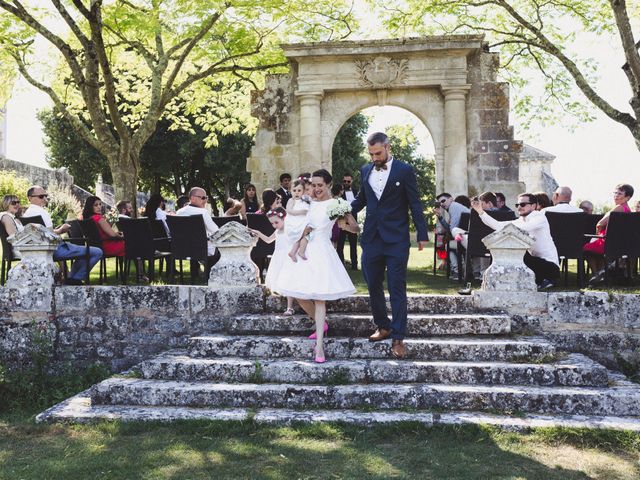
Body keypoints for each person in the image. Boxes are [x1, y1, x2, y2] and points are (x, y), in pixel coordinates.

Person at [351, 132, 428, 359]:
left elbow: (415, 202)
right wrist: (340, 209)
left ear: (388, 147)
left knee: (396, 287)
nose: (374, 157)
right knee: (373, 284)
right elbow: (360, 199)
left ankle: (398, 337)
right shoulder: (365, 171)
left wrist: (422, 233)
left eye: (378, 153)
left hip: (397, 239)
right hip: (371, 238)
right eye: (371, 154)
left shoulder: (404, 170)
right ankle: (382, 326)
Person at [275, 169, 358, 363]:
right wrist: (297, 243)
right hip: (307, 248)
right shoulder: (309, 203)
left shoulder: (336, 204)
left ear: (329, 185)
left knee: (320, 298)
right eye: (313, 184)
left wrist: (345, 224)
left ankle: (319, 347)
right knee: (298, 295)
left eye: (320, 185)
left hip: (322, 250)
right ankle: (323, 324)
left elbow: (354, 227)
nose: (316, 188)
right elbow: (308, 225)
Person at [471, 193, 559, 290]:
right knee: (501, 248)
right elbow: (498, 226)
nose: (519, 207)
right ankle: (495, 280)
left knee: (516, 250)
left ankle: (547, 280)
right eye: (518, 205)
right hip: (534, 264)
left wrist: (507, 229)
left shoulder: (539, 217)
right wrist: (480, 212)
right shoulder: (521, 220)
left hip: (550, 268)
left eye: (523, 204)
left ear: (533, 206)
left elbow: (521, 228)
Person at [24, 185, 102, 285]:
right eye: (41, 196)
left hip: (45, 249)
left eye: (45, 196)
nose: (44, 199)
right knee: (97, 252)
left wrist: (57, 230)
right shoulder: (41, 212)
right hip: (56, 249)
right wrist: (61, 230)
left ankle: (71, 278)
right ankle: (75, 279)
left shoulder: (27, 213)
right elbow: (49, 233)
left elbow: (44, 232)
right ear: (30, 198)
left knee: (83, 253)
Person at [583, 184, 634, 285]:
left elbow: (600, 224)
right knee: (595, 248)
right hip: (618, 243)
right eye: (615, 193)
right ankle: (601, 274)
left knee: (585, 248)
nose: (616, 195)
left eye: (619, 193)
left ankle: (596, 274)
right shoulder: (627, 209)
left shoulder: (618, 208)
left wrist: (597, 236)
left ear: (627, 197)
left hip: (608, 243)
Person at [249, 207, 296, 317]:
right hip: (278, 256)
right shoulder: (278, 230)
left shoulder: (290, 229)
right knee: (282, 278)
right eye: (272, 223)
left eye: (276, 222)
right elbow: (269, 240)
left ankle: (290, 307)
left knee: (289, 280)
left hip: (287, 256)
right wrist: (258, 233)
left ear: (284, 218)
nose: (274, 225)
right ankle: (286, 303)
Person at [451, 191, 497, 279]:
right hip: (490, 243)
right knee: (482, 240)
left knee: (455, 230)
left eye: (481, 204)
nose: (479, 206)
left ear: (490, 203)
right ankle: (481, 272)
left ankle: (459, 235)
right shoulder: (504, 214)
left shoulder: (480, 215)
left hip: (475, 244)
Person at [176, 187, 220, 278]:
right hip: (201, 249)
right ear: (192, 198)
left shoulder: (179, 212)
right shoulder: (202, 212)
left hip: (183, 249)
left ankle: (197, 274)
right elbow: (216, 231)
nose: (205, 200)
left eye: (206, 198)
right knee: (219, 247)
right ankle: (212, 275)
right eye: (203, 198)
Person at [434, 192, 470, 279]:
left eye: (443, 201)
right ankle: (459, 269)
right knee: (448, 242)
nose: (442, 204)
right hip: (468, 236)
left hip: (467, 238)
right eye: (440, 203)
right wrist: (440, 216)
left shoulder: (453, 207)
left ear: (451, 199)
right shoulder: (454, 207)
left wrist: (440, 217)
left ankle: (457, 271)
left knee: (447, 245)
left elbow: (451, 229)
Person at [286, 179, 311, 262]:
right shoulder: (291, 200)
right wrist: (301, 212)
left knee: (306, 236)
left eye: (299, 190)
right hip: (294, 223)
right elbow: (289, 211)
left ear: (303, 191)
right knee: (300, 236)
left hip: (302, 222)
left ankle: (300, 251)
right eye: (294, 190)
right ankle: (293, 251)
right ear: (290, 191)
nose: (296, 192)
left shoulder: (305, 200)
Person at [337, 173, 359, 270]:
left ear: (352, 181)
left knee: (353, 244)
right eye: (344, 181)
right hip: (342, 221)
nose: (346, 183)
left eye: (348, 181)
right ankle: (341, 264)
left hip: (353, 221)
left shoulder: (356, 191)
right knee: (340, 244)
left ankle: (354, 265)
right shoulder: (340, 192)